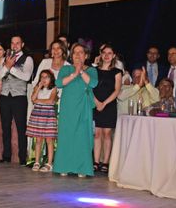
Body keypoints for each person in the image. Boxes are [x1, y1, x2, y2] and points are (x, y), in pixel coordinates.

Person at [53, 43, 98, 178]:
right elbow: (59, 83)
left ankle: (82, 168)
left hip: (83, 107)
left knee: (82, 136)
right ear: (71, 56)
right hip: (68, 107)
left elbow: (93, 83)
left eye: (81, 53)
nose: (78, 55)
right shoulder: (66, 69)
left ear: (86, 55)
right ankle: (64, 166)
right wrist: (75, 73)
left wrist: (81, 71)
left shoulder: (91, 70)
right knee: (66, 135)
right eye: (75, 53)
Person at [0, 35, 33, 165]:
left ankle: (22, 158)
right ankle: (6, 156)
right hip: (5, 96)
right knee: (5, 127)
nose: (15, 45)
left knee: (21, 128)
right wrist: (6, 66)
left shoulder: (28, 59)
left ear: (22, 44)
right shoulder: (5, 59)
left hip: (19, 97)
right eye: (12, 43)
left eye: (17, 43)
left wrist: (10, 68)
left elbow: (26, 76)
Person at [92, 44, 122, 174]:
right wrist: (97, 102)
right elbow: (90, 88)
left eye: (110, 53)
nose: (107, 55)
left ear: (114, 55)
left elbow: (117, 90)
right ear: (101, 54)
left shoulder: (117, 72)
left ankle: (105, 162)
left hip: (109, 105)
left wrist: (104, 103)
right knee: (97, 134)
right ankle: (96, 162)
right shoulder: (94, 70)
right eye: (104, 52)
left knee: (107, 134)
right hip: (95, 104)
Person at [28, 70, 58, 172]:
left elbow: (50, 101)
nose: (44, 79)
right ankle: (37, 162)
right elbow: (32, 98)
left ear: (51, 79)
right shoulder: (37, 88)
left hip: (48, 116)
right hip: (37, 115)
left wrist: (38, 101)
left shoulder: (54, 89)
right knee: (38, 139)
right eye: (42, 77)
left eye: (47, 77)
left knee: (49, 140)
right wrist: (38, 88)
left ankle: (49, 163)